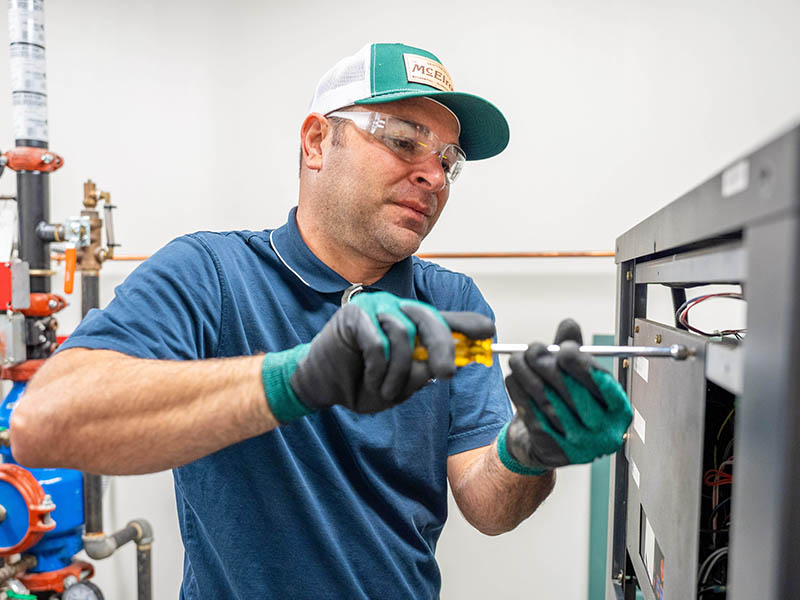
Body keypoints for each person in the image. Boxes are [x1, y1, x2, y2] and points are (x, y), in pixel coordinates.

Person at [10, 43, 632, 599]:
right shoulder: (213, 275)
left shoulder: (453, 308)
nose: (434, 176)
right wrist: (299, 379)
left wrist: (529, 452)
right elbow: (46, 424)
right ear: (315, 142)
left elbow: (487, 503)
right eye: (403, 140)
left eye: (449, 160)